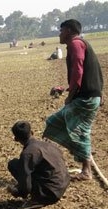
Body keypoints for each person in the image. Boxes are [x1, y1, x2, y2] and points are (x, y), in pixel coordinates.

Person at [42, 19, 104, 181]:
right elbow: (85, 74)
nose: (59, 34)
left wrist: (70, 97)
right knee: (55, 122)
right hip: (87, 95)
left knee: (79, 132)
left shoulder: (76, 44)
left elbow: (78, 70)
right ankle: (81, 158)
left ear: (69, 31)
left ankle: (86, 170)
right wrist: (66, 88)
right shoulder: (78, 44)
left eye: (61, 30)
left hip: (85, 98)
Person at [7, 121, 70, 209]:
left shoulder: (28, 153)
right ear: (32, 133)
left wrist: (18, 192)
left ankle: (38, 200)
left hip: (50, 193)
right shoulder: (49, 145)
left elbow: (26, 183)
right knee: (20, 165)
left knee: (13, 164)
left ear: (16, 139)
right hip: (63, 185)